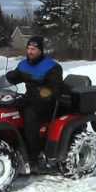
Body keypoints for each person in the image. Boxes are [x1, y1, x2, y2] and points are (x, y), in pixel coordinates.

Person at [6, 36, 63, 166]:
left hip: (47, 103)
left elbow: (55, 90)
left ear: (41, 51)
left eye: (34, 49)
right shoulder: (24, 64)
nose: (30, 51)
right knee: (7, 109)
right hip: (29, 98)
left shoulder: (52, 67)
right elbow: (15, 76)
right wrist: (7, 78)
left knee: (30, 115)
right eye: (29, 48)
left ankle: (33, 157)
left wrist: (41, 92)